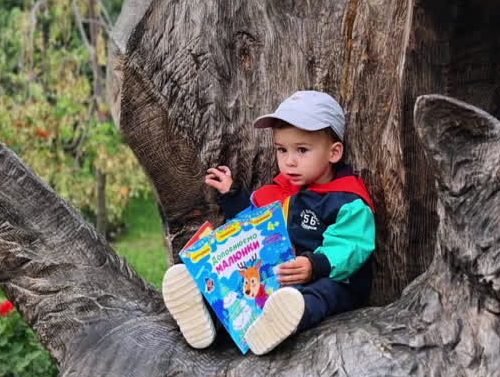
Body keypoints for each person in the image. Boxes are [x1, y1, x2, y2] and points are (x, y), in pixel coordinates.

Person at [161, 90, 376, 355]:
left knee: (321, 294)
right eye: (281, 150)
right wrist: (231, 196)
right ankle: (205, 315)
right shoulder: (278, 192)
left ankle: (285, 319)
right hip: (278, 277)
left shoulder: (347, 200)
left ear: (334, 153)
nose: (289, 161)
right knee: (239, 287)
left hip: (331, 278)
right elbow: (252, 230)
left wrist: (314, 264)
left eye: (302, 150)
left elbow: (352, 245)